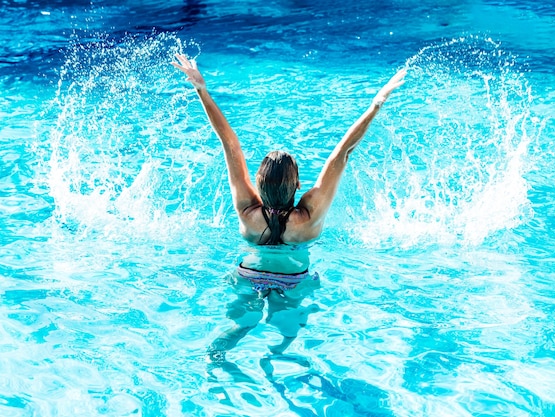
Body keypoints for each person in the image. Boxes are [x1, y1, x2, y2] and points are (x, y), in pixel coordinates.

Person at [172, 54, 405, 372]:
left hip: (248, 274)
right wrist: (376, 103)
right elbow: (343, 152)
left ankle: (217, 354)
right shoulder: (307, 218)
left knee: (239, 324)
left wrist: (202, 89)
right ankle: (276, 353)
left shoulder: (248, 212)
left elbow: (229, 145)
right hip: (292, 280)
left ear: (257, 182)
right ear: (297, 184)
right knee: (289, 327)